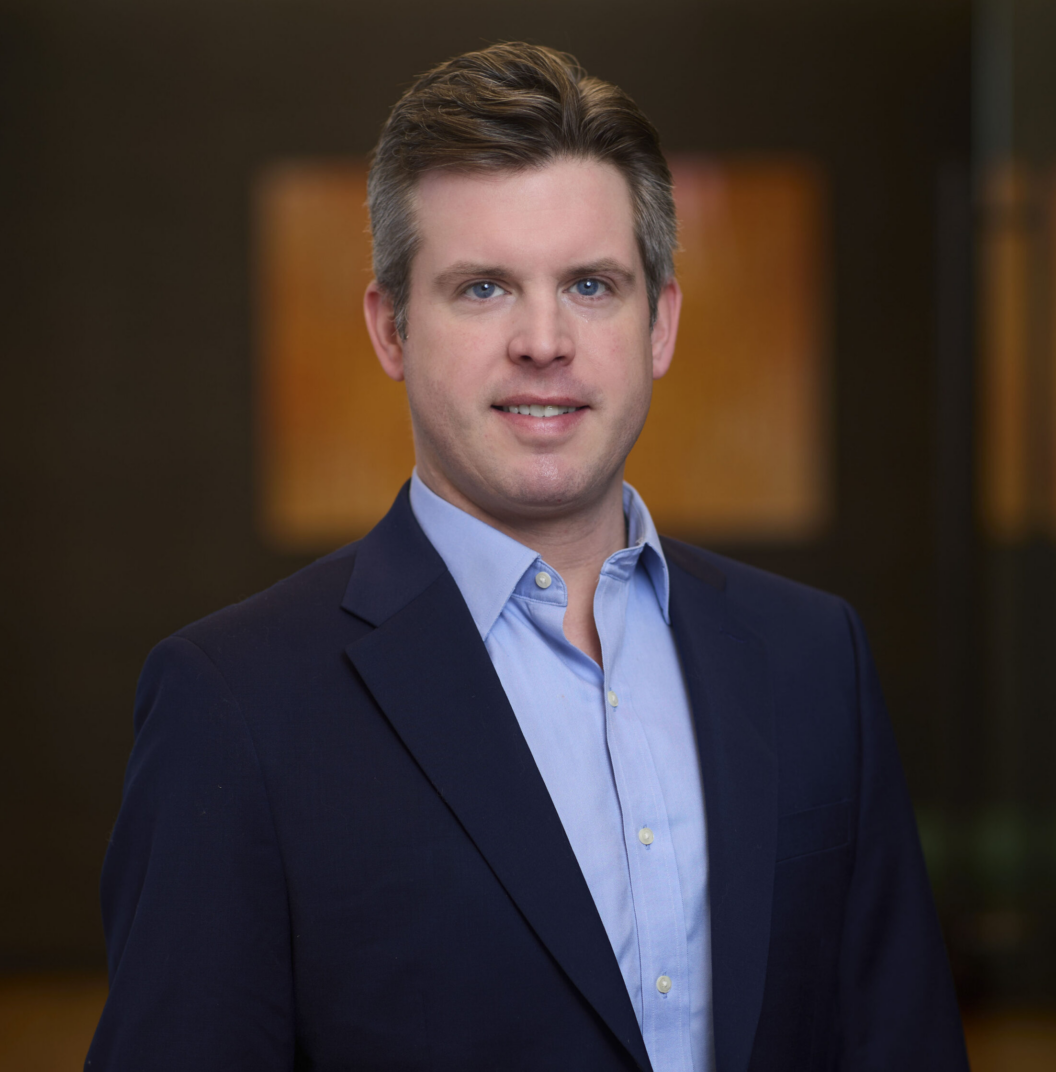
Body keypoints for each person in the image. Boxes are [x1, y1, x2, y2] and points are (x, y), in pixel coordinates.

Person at [86, 42, 969, 1072]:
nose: (544, 339)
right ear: (391, 328)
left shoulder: (814, 658)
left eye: (592, 285)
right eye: (484, 288)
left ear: (661, 323)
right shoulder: (233, 705)